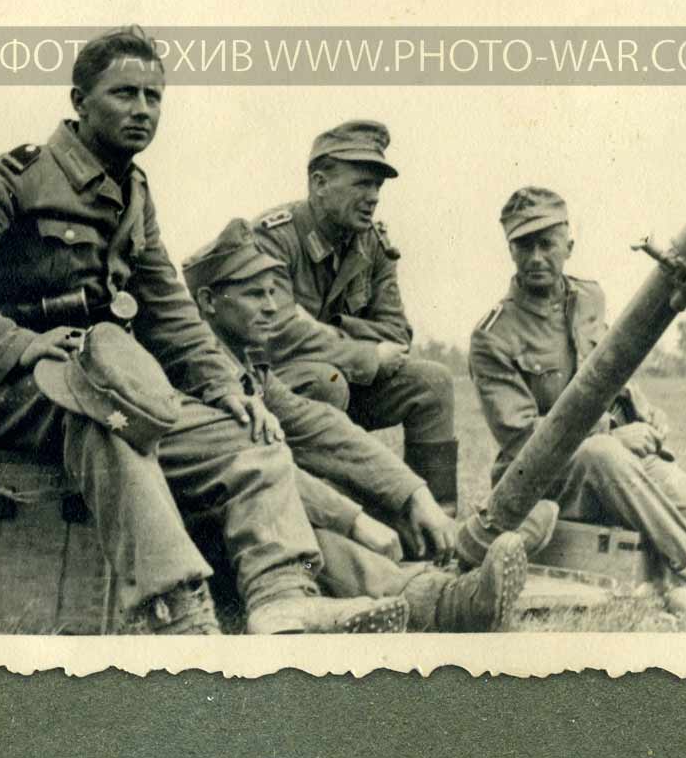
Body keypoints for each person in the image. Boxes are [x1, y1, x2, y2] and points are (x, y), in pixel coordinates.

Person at [0, 26, 405, 635]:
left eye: (154, 97)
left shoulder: (133, 194)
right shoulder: (14, 178)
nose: (143, 110)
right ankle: (179, 611)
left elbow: (167, 307)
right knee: (105, 409)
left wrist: (226, 386)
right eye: (125, 93)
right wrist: (17, 346)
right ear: (79, 101)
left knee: (246, 434)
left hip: (97, 382)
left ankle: (283, 598)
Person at [181, 218, 560, 631]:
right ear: (208, 302)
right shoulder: (192, 377)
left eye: (273, 291)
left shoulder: (246, 367)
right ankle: (437, 602)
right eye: (255, 294)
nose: (272, 306)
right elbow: (256, 469)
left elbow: (325, 430)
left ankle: (462, 547)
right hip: (213, 533)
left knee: (354, 488)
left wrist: (414, 495)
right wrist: (354, 520)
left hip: (249, 518)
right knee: (307, 520)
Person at [467, 187, 686, 608]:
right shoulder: (493, 335)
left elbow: (609, 368)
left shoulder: (590, 298)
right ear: (510, 250)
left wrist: (643, 411)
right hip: (542, 482)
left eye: (547, 243)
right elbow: (523, 437)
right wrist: (612, 436)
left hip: (616, 461)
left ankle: (661, 545)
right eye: (524, 246)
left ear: (569, 245)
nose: (537, 257)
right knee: (601, 453)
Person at [250, 120, 459, 512]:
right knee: (326, 379)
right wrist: (364, 353)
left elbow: (397, 334)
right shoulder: (273, 238)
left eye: (377, 186)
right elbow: (275, 332)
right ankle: (320, 514)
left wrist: (327, 329)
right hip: (275, 389)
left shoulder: (372, 243)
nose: (373, 197)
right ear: (319, 183)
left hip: (348, 382)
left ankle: (438, 521)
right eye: (362, 184)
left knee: (433, 382)